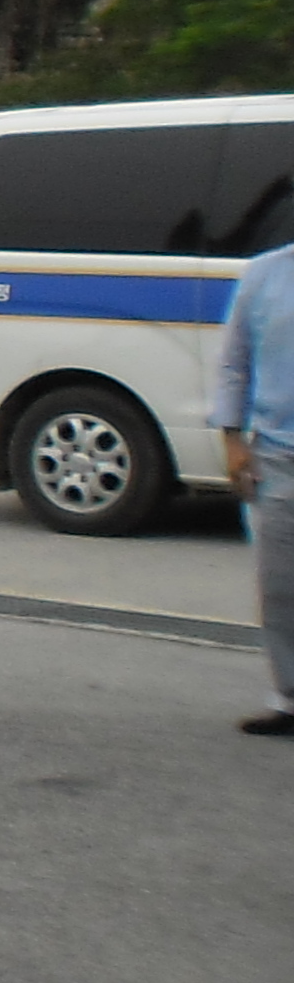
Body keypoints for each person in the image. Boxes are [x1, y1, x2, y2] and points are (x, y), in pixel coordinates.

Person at [206, 222, 294, 736]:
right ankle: (288, 698)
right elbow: (234, 363)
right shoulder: (264, 275)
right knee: (280, 589)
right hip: (276, 458)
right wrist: (233, 439)